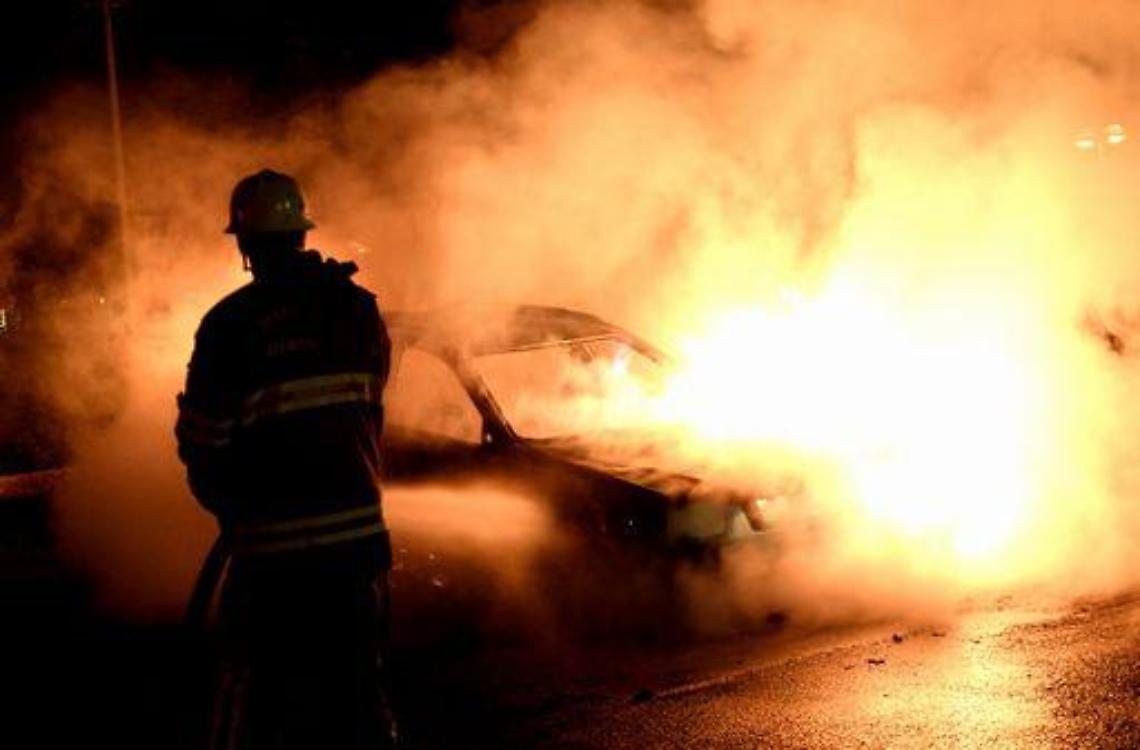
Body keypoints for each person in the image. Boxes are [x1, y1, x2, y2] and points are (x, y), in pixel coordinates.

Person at [175, 169, 395, 749]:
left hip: (272, 562)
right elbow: (371, 414)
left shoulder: (230, 326)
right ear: (301, 234)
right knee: (357, 697)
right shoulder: (359, 311)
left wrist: (233, 509)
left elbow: (203, 444)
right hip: (358, 552)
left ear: (245, 244)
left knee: (255, 703)